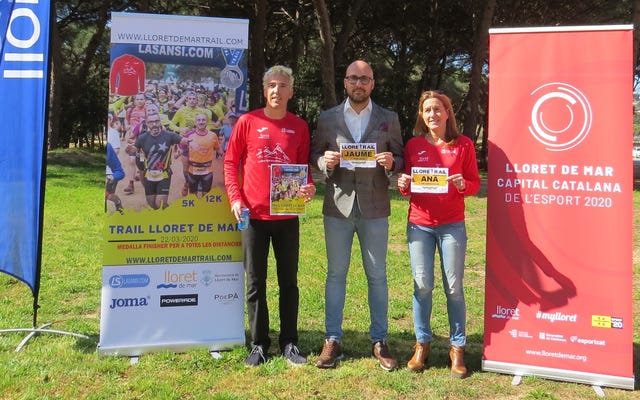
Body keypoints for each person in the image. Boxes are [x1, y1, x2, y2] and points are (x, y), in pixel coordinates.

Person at [310, 60, 404, 371]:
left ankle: (380, 340)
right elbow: (314, 155)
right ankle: (332, 340)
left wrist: (392, 161)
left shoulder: (389, 118)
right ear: (345, 82)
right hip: (338, 206)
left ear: (373, 83)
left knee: (377, 275)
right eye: (353, 78)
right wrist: (325, 162)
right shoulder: (328, 118)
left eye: (364, 79)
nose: (359, 84)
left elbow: (401, 157)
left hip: (375, 207)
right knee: (336, 275)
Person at [223, 65, 316, 367]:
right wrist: (236, 199)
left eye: (283, 85)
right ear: (264, 90)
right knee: (255, 283)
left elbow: (303, 170)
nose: (277, 90)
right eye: (271, 85)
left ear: (291, 91)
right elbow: (230, 163)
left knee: (289, 282)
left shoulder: (299, 126)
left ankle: (289, 342)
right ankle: (259, 344)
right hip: (252, 217)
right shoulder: (247, 122)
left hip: (287, 216)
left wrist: (309, 188)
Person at [396, 90, 480, 378]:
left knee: (454, 288)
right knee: (422, 285)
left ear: (447, 113)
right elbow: (407, 185)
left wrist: (461, 185)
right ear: (422, 115)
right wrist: (403, 182)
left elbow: (474, 184)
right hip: (419, 223)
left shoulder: (464, 145)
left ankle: (457, 349)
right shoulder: (414, 145)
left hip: (451, 225)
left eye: (438, 109)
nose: (432, 114)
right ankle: (422, 344)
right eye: (427, 110)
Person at [126, 112, 190, 210]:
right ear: (147, 124)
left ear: (160, 122)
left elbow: (183, 140)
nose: (154, 124)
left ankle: (168, 217)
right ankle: (164, 214)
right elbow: (134, 148)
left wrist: (191, 142)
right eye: (151, 122)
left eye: (156, 121)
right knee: (152, 205)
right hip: (149, 174)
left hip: (164, 174)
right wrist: (129, 149)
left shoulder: (169, 135)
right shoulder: (142, 138)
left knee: (160, 204)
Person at [183, 112, 220, 197]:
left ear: (207, 122)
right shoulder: (189, 135)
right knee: (193, 196)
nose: (201, 122)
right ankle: (186, 185)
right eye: (198, 120)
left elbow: (218, 149)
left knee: (206, 196)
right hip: (193, 171)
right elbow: (182, 149)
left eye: (203, 120)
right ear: (195, 122)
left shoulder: (213, 135)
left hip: (207, 171)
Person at [105, 142, 125, 214]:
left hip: (109, 177)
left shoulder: (108, 147)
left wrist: (112, 177)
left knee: (109, 197)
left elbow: (120, 172)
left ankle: (117, 203)